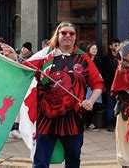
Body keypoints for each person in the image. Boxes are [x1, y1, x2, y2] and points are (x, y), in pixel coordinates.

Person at [25, 22, 104, 167]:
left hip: (73, 119)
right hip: (46, 120)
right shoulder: (44, 56)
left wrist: (91, 101)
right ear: (58, 35)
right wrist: (11, 56)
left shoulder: (83, 58)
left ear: (75, 37)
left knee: (73, 161)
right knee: (40, 162)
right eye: (64, 33)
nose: (68, 36)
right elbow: (21, 71)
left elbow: (98, 83)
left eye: (71, 33)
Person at [100, 38, 121, 132]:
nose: (117, 47)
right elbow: (102, 72)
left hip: (120, 85)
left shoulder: (121, 57)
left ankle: (118, 123)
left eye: (118, 45)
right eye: (115, 45)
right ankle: (110, 123)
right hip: (110, 85)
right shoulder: (106, 58)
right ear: (110, 46)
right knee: (110, 104)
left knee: (120, 104)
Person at [85, 43, 103, 130]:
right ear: (89, 50)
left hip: (97, 85)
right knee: (87, 103)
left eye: (96, 49)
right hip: (88, 86)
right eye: (93, 49)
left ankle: (91, 122)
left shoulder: (99, 61)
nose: (94, 50)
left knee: (96, 104)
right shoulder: (85, 60)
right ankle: (87, 122)